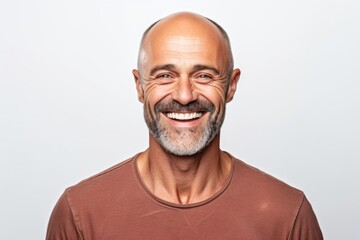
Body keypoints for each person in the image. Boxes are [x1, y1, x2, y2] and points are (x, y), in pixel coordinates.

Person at [46, 12, 323, 239]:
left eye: (204, 75)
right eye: (165, 75)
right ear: (139, 86)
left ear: (231, 85)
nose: (184, 95)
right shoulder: (80, 213)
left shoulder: (287, 214)